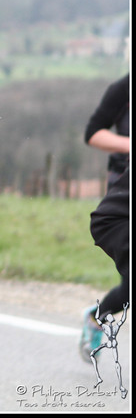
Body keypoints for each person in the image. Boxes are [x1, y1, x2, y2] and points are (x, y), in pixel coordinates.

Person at [80, 73, 129, 363]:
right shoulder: (124, 88)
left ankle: (97, 316)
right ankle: (96, 318)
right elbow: (93, 133)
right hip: (123, 194)